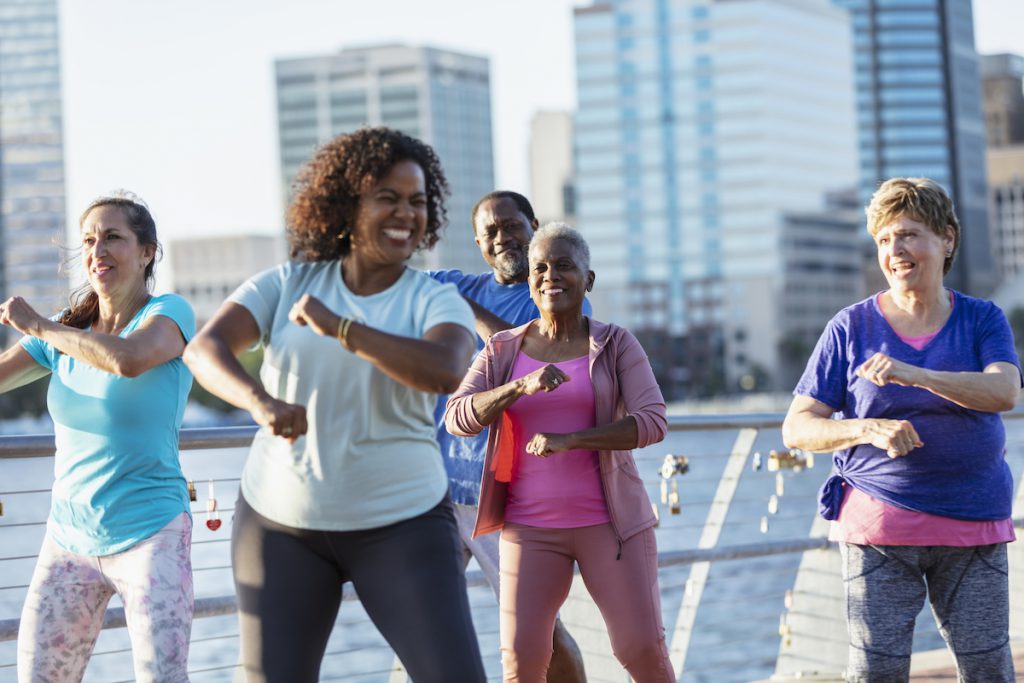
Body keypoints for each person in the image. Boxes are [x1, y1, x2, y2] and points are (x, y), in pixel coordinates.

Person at [183, 127, 486, 683]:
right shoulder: (286, 282)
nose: (406, 214)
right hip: (281, 526)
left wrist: (343, 327)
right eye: (388, 198)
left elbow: (445, 370)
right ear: (348, 205)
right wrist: (259, 399)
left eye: (417, 202)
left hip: (404, 525)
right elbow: (204, 348)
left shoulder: (434, 298)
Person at [782, 177, 1022, 683]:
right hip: (879, 527)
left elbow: (1003, 392)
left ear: (948, 239)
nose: (896, 250)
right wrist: (866, 428)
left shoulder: (982, 320)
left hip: (973, 521)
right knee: (875, 673)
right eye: (885, 239)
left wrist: (917, 374)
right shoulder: (850, 327)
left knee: (988, 670)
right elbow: (798, 427)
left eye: (910, 234)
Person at [445, 223, 675, 682]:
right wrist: (518, 386)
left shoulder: (615, 344)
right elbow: (458, 416)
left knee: (640, 650)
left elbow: (652, 422)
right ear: (529, 281)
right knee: (522, 661)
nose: (551, 276)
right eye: (540, 268)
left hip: (611, 527)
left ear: (588, 280)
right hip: (529, 530)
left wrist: (572, 440)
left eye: (565, 266)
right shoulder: (501, 350)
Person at [0, 192, 196, 682]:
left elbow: (127, 360)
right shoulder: (65, 334)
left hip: (152, 534)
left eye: (113, 237)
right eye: (89, 240)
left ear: (147, 251)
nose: (97, 250)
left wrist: (40, 326)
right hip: (67, 539)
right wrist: (46, 332)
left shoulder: (168, 313)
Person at [429, 191, 587, 683]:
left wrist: (464, 308)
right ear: (477, 243)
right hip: (441, 491)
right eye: (490, 232)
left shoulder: (556, 289)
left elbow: (534, 360)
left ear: (533, 225)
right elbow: (380, 285)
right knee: (426, 620)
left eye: (512, 226)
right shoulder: (450, 283)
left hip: (513, 493)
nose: (503, 238)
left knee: (536, 629)